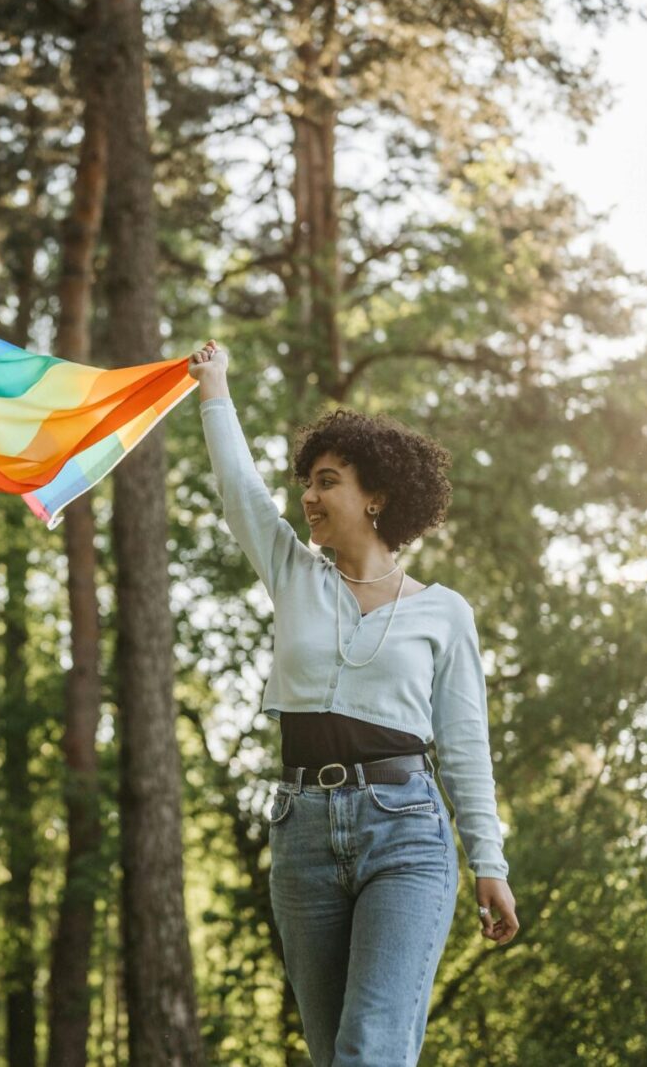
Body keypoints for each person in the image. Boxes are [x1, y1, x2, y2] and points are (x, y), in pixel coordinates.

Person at [187, 341, 519, 1066]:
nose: (307, 496)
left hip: (404, 832)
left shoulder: (443, 613)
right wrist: (213, 389)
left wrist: (486, 862)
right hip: (300, 828)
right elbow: (240, 491)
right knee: (331, 1050)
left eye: (326, 481)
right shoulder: (292, 573)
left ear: (375, 496)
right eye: (305, 481)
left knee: (369, 1050)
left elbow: (464, 745)